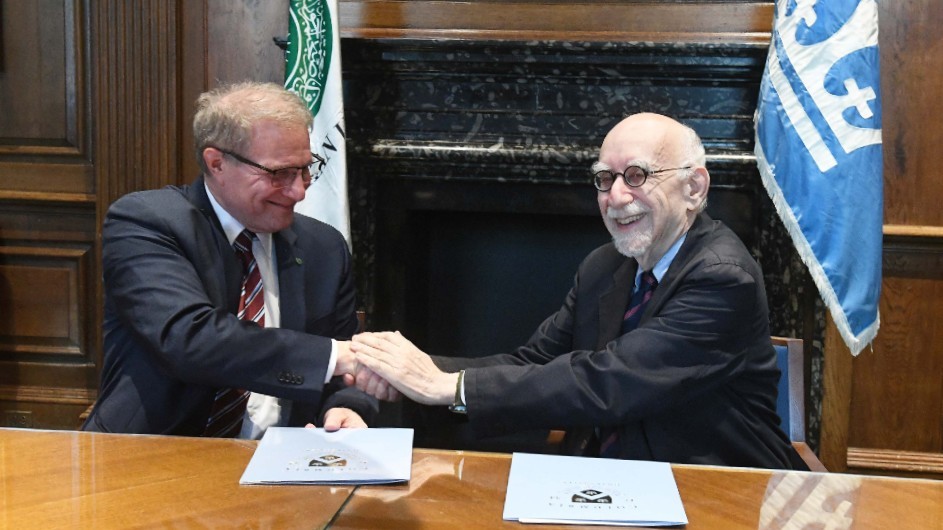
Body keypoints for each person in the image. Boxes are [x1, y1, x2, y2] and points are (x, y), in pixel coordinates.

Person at [350, 113, 808, 469]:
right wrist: (411, 376)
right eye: (605, 179)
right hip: (603, 483)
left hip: (714, 489)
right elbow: (532, 363)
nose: (616, 197)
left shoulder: (724, 277)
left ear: (694, 186)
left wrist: (447, 387)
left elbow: (611, 380)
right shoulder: (605, 265)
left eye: (636, 175)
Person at [83, 82, 375, 438]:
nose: (298, 190)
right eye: (279, 173)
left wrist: (344, 405)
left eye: (304, 170)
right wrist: (332, 358)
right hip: (153, 456)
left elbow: (341, 369)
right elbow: (189, 340)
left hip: (281, 464)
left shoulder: (323, 247)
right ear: (217, 162)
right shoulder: (146, 222)